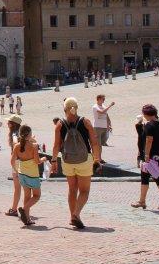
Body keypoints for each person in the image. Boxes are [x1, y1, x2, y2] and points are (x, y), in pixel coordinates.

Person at [51, 97, 102, 229]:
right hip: (84, 160)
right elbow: (94, 142)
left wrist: (54, 161)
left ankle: (72, 216)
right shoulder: (85, 121)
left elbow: (56, 145)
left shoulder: (60, 124)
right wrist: (97, 159)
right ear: (77, 108)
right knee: (84, 191)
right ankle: (76, 214)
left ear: (64, 109)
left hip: (67, 160)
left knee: (72, 189)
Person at [131, 104, 159, 211]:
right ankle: (143, 200)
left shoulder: (149, 125)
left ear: (145, 114)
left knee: (156, 177)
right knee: (148, 176)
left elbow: (149, 140)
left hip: (152, 156)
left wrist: (147, 155)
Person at [11, 125, 48, 225]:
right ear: (30, 134)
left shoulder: (17, 146)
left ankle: (27, 219)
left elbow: (12, 161)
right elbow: (37, 161)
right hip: (32, 174)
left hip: (22, 173)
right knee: (36, 195)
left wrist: (16, 171)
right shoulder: (34, 146)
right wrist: (43, 159)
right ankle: (24, 209)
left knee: (27, 196)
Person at [5, 114, 23, 218]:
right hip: (24, 161)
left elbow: (16, 143)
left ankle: (14, 209)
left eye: (9, 122)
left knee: (17, 187)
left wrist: (14, 155)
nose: (7, 123)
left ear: (13, 124)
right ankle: (23, 208)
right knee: (24, 186)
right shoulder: (22, 132)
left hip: (17, 162)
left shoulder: (15, 134)